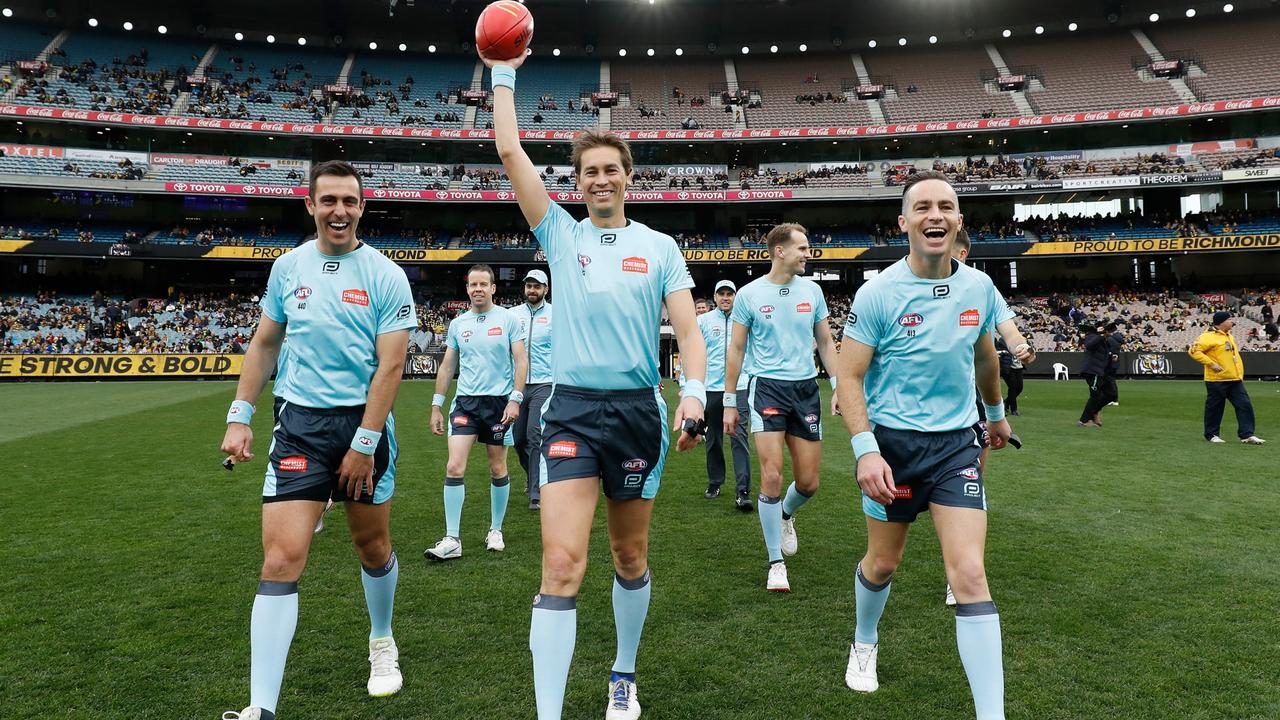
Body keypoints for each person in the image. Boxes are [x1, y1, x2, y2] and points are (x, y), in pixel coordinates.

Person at [484, 49, 707, 720]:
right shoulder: (558, 234)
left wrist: (692, 394)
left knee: (629, 554)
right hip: (572, 413)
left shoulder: (661, 248)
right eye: (589, 172)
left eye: (612, 169)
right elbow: (508, 150)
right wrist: (501, 72)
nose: (601, 179)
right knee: (559, 564)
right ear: (576, 183)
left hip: (640, 412)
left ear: (628, 178)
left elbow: (689, 334)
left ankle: (623, 674)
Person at [218, 160, 417, 720]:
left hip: (364, 426)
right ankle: (261, 707)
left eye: (349, 201)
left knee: (371, 546)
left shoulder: (384, 274)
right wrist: (240, 415)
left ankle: (382, 640)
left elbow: (392, 364)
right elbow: (264, 344)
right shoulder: (287, 268)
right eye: (329, 200)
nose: (340, 211)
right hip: (299, 425)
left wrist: (365, 441)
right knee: (281, 558)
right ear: (310, 205)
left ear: (362, 206)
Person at [835, 170, 1013, 719]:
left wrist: (996, 415)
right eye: (923, 207)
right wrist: (866, 448)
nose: (935, 215)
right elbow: (848, 378)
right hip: (893, 449)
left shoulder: (979, 287)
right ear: (904, 222)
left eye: (946, 206)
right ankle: (865, 639)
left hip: (956, 448)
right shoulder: (878, 292)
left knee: (970, 575)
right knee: (883, 565)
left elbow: (985, 358)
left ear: (959, 220)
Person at [723, 222, 840, 593]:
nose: (808, 253)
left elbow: (825, 340)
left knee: (809, 482)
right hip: (766, 388)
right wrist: (729, 401)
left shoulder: (814, 291)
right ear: (780, 251)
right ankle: (775, 562)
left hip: (805, 389)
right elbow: (737, 350)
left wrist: (838, 386)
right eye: (802, 248)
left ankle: (786, 514)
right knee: (771, 475)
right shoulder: (749, 294)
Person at [425, 264, 527, 560]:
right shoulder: (458, 324)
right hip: (466, 403)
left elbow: (520, 361)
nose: (478, 289)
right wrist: (436, 405)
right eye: (473, 285)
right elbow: (447, 366)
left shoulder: (508, 320)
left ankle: (495, 529)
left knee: (497, 468)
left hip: (499, 404)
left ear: (493, 288)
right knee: (454, 467)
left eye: (484, 284)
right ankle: (452, 538)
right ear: (467, 288)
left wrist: (515, 399)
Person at [694, 279, 753, 510]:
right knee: (713, 439)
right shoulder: (703, 321)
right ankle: (715, 482)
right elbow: (694, 353)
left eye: (730, 293)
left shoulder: (745, 319)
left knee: (739, 437)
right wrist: (688, 383)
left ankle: (743, 490)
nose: (726, 297)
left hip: (739, 387)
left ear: (735, 296)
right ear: (715, 297)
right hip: (711, 388)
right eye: (722, 294)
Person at [1189, 311, 1266, 444]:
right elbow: (1193, 351)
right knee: (1215, 408)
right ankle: (1212, 434)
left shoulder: (1228, 335)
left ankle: (1247, 435)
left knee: (1244, 405)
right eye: (1229, 319)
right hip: (1217, 379)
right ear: (1221, 322)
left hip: (1234, 379)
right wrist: (1211, 364)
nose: (1232, 321)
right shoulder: (1207, 337)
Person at [512, 269, 553, 511]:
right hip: (517, 385)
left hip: (544, 383)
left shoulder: (556, 314)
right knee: (518, 440)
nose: (532, 290)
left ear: (546, 289)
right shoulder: (512, 315)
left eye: (537, 286)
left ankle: (536, 493)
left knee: (534, 435)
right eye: (529, 286)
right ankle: (533, 476)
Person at [1077, 324, 1113, 427]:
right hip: (1093, 371)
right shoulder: (1094, 337)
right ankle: (1084, 420)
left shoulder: (1105, 341)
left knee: (1111, 394)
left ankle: (1094, 412)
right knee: (1095, 395)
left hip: (1102, 372)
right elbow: (1088, 345)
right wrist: (1099, 335)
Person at [1103, 321, 1123, 407]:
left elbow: (1110, 352)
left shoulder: (1111, 339)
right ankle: (1112, 398)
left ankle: (1114, 399)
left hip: (1111, 363)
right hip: (1114, 363)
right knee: (1110, 381)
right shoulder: (1117, 338)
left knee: (1110, 381)